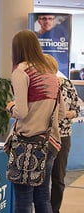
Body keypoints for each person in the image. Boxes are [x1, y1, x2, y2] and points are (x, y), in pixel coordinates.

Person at [5, 30, 65, 213]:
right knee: (42, 198)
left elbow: (21, 111)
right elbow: (61, 113)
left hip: (27, 144)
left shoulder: (22, 71)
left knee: (23, 200)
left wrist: (10, 108)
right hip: (50, 143)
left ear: (17, 49)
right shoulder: (50, 73)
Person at [44, 54, 81, 213]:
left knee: (58, 177)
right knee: (41, 178)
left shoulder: (66, 84)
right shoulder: (39, 86)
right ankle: (43, 208)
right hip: (42, 136)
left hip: (63, 135)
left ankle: (54, 209)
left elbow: (77, 108)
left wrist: (69, 114)